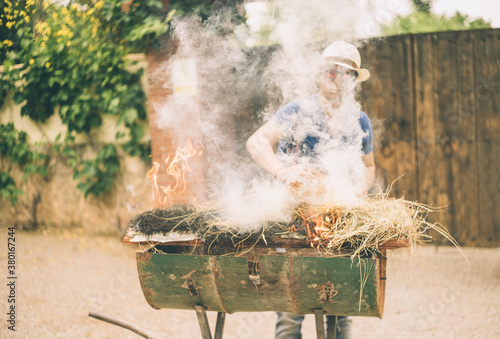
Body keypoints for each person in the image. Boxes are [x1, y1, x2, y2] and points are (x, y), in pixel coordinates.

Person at [245, 40, 375, 339]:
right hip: (295, 225)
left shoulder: (360, 121)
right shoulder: (297, 111)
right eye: (330, 71)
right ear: (319, 74)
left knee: (341, 317)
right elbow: (256, 142)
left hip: (340, 226)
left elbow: (369, 167)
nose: (336, 78)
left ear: (353, 81)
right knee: (290, 318)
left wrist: (359, 189)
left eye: (345, 73)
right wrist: (283, 171)